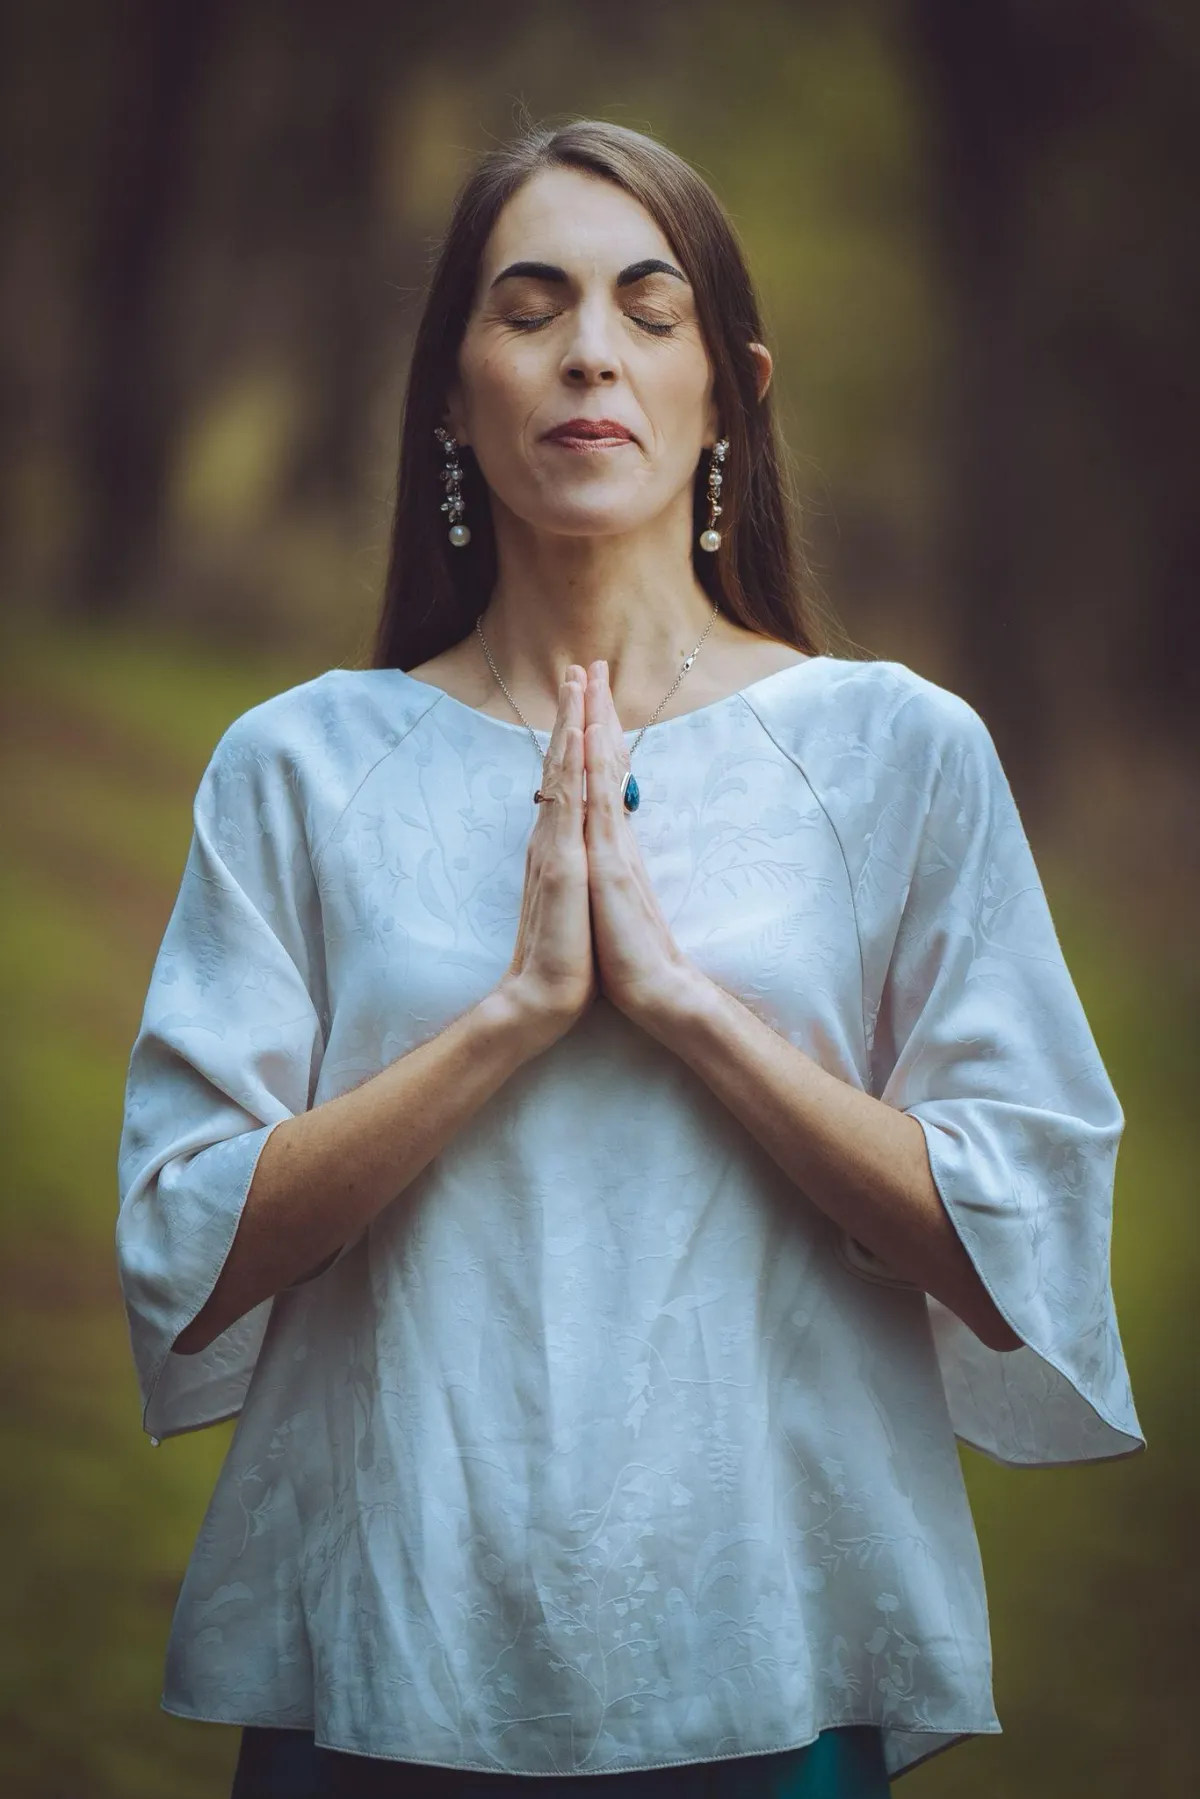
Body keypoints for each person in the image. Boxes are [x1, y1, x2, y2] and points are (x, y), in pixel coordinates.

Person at [115, 118, 1145, 1798]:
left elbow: (1020, 1240)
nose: (590, 348)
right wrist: (510, 1018)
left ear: (731, 388)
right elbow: (182, 1241)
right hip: (381, 1656)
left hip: (766, 1660)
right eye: (529, 307)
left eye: (645, 309)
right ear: (451, 393)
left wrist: (685, 1010)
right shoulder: (297, 765)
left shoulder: (896, 752)